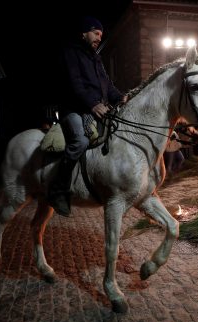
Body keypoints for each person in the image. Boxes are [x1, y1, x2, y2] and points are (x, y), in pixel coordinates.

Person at [50, 16, 127, 216]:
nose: (99, 38)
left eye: (101, 34)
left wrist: (121, 97)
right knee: (80, 142)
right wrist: (93, 104)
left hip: (94, 107)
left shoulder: (95, 57)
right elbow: (74, 84)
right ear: (83, 33)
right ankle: (59, 190)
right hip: (72, 109)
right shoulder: (70, 53)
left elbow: (107, 84)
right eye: (96, 33)